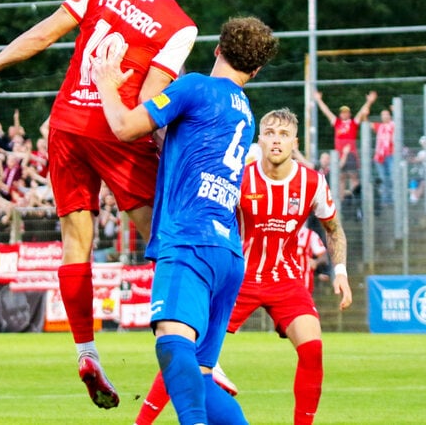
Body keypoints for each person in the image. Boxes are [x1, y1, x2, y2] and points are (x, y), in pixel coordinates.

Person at [0, 0, 213, 409]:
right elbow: (152, 100)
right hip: (116, 131)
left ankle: (86, 351)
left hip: (66, 123)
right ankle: (198, 350)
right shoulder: (181, 26)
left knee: (76, 242)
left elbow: (46, 32)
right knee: (171, 240)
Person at [93, 16, 279, 425]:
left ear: (217, 48)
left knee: (172, 346)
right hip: (227, 254)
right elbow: (183, 141)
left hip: (189, 240)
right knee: (201, 375)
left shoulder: (195, 86)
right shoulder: (244, 111)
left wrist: (106, 83)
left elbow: (125, 127)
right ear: (257, 69)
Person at [135, 108, 352, 425]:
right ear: (259, 139)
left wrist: (341, 273)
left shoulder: (312, 183)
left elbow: (333, 229)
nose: (276, 141)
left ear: (295, 141)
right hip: (239, 278)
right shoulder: (239, 177)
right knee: (186, 351)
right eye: (270, 134)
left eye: (283, 135)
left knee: (313, 349)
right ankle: (142, 421)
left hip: (286, 280)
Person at [313, 89, 376, 197]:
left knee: (353, 177)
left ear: (349, 114)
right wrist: (319, 100)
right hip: (340, 155)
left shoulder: (353, 123)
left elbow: (361, 112)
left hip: (351, 154)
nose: (344, 114)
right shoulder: (337, 122)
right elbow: (326, 111)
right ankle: (341, 203)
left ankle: (354, 199)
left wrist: (369, 102)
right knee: (340, 178)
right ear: (340, 114)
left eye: (346, 112)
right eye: (342, 112)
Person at [371, 106, 395, 204]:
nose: (384, 116)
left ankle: (393, 198)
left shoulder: (393, 124)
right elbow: (365, 122)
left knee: (393, 177)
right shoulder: (379, 126)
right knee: (383, 178)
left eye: (386, 114)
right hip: (380, 156)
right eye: (383, 115)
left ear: (390, 116)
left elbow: (398, 121)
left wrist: (395, 111)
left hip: (391, 154)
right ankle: (385, 199)